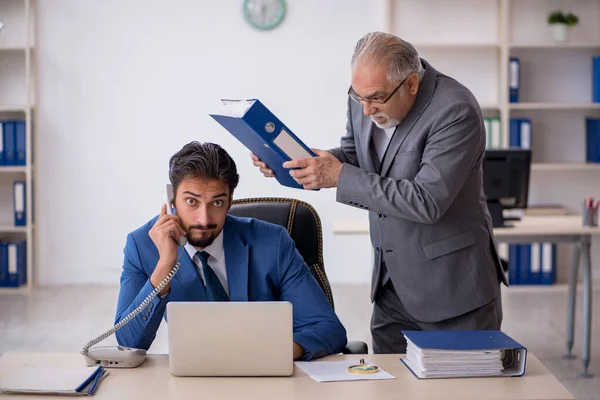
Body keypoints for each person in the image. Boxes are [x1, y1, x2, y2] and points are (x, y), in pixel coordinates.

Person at [251, 32, 506, 354]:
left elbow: (427, 201)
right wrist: (301, 164)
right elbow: (355, 156)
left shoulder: (455, 110)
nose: (367, 110)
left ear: (411, 84)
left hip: (452, 289)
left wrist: (338, 176)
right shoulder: (362, 97)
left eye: (376, 98)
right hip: (391, 286)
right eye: (359, 97)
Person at [115, 141, 347, 360]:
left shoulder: (273, 242)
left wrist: (273, 354)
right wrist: (165, 265)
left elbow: (328, 329)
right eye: (192, 201)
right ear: (172, 199)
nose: (203, 219)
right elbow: (129, 342)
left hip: (265, 377)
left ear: (230, 201)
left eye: (216, 202)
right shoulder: (141, 245)